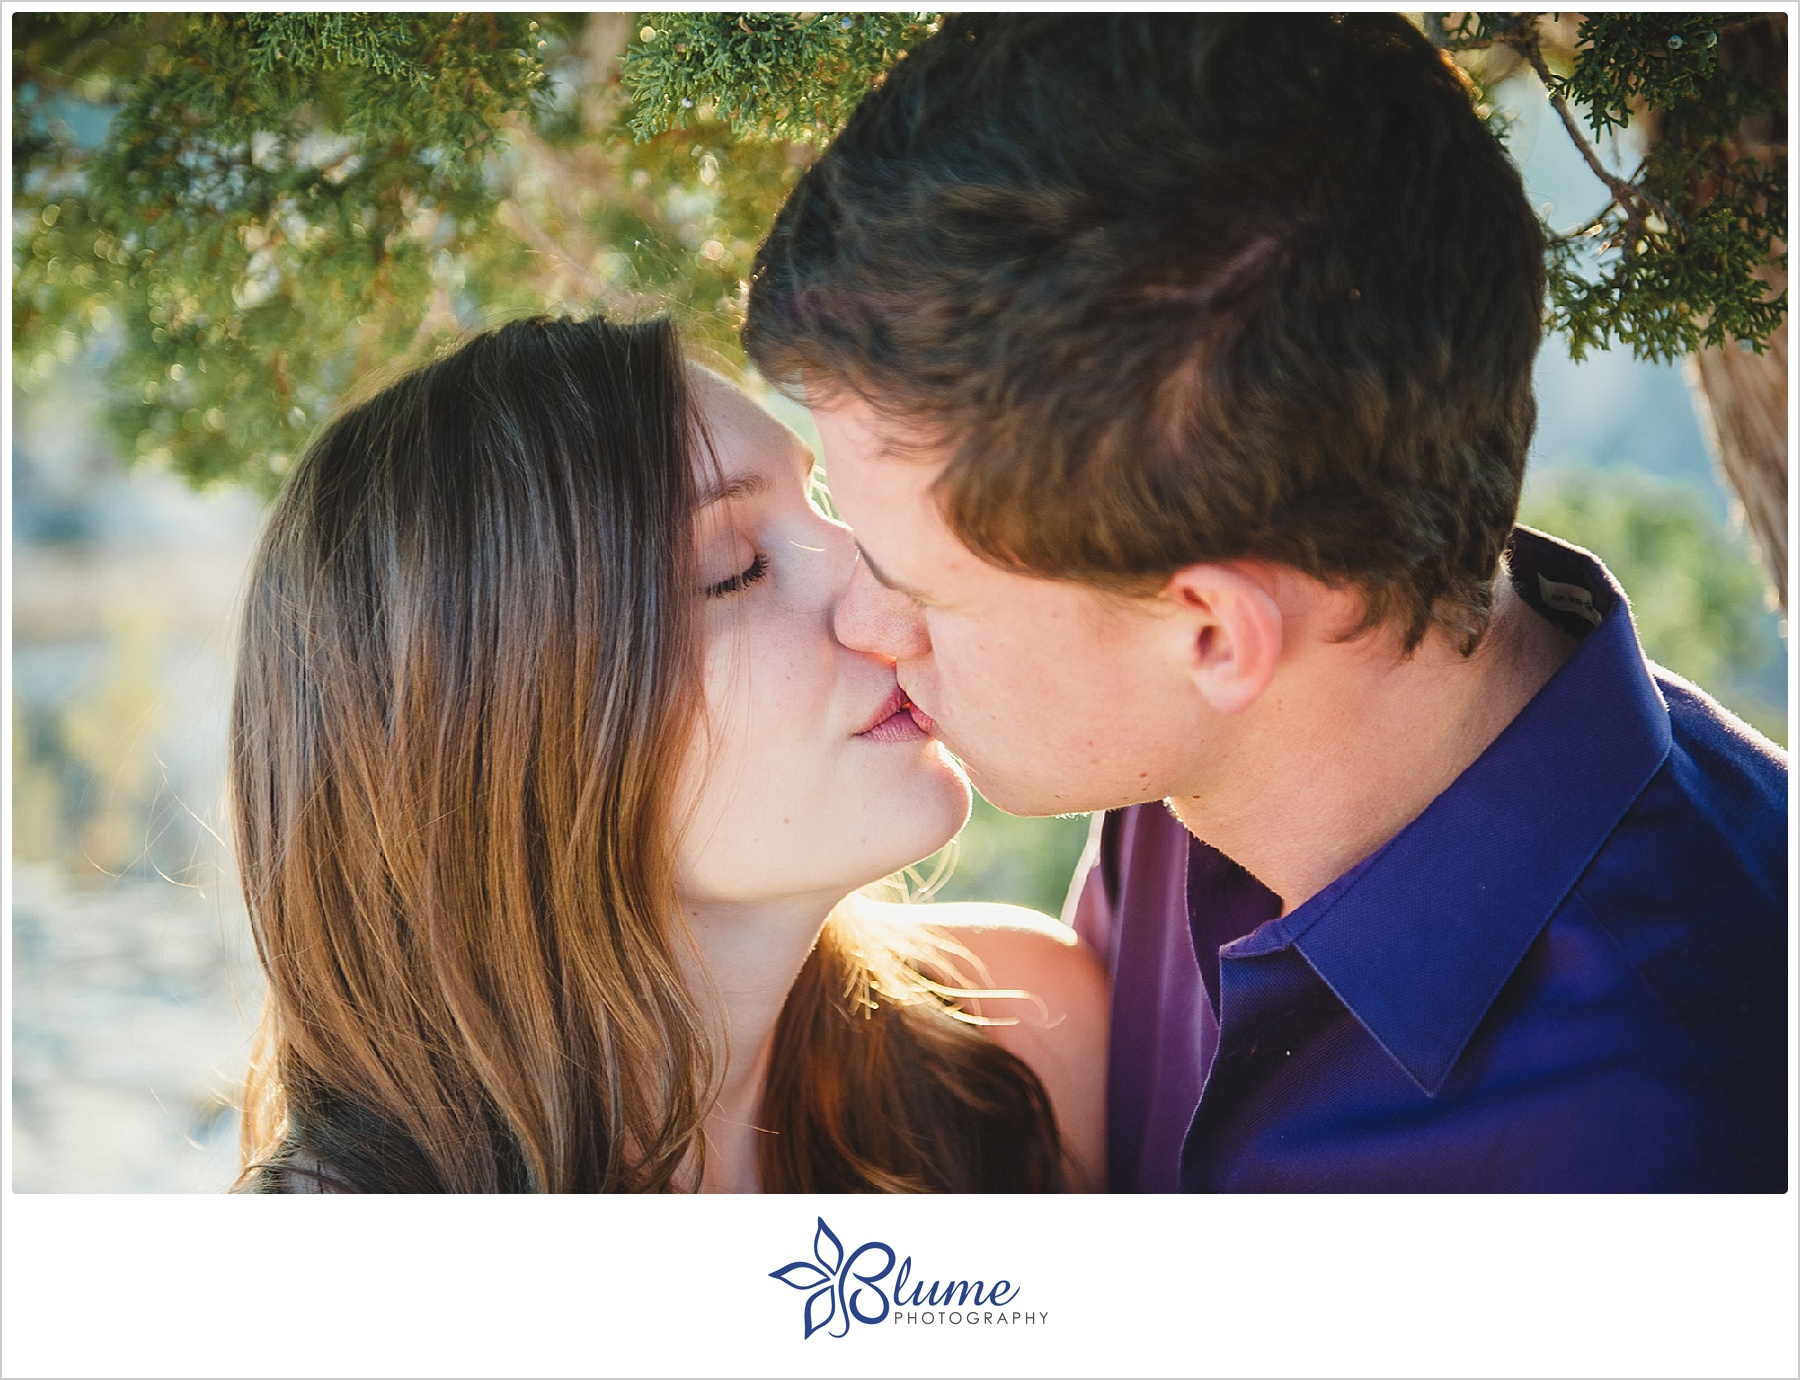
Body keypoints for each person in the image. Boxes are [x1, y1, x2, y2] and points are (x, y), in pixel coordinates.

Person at [743, 13, 1787, 1190]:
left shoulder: (1653, 1148)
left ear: (1214, 634)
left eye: (918, 585)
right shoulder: (1197, 756)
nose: (869, 628)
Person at [229, 314, 1105, 1193]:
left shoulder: (1022, 1030)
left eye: (830, 509)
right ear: (501, 740)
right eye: (734, 567)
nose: (889, 594)